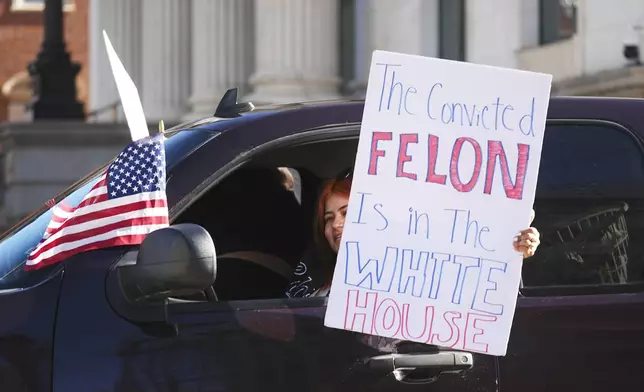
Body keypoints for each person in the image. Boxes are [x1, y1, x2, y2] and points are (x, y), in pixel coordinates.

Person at [286, 170, 541, 298]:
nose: (336, 226)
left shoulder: (417, 275)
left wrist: (510, 249)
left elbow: (478, 290)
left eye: (346, 213)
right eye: (328, 219)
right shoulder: (316, 282)